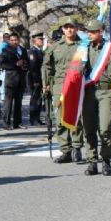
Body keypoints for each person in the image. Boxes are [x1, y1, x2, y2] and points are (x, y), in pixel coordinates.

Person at [80, 20, 111, 176]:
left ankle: (105, 159)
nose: (89, 34)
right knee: (89, 128)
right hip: (87, 93)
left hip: (105, 92)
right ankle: (92, 161)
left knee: (105, 128)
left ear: (101, 31)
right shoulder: (83, 48)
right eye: (88, 31)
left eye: (92, 31)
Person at [42, 16, 84, 163]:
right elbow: (46, 65)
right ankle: (65, 150)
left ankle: (77, 147)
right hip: (59, 85)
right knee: (60, 119)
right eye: (66, 27)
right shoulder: (55, 46)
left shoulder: (83, 45)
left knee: (76, 118)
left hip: (77, 85)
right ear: (63, 29)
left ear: (76, 28)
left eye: (72, 27)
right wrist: (45, 83)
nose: (69, 30)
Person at [0, 32, 27, 129]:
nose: (14, 42)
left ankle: (17, 123)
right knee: (8, 103)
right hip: (11, 80)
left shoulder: (23, 50)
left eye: (16, 40)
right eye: (12, 40)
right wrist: (15, 65)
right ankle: (6, 123)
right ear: (9, 41)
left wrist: (24, 65)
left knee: (18, 103)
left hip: (21, 79)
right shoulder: (6, 50)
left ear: (18, 40)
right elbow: (2, 64)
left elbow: (27, 62)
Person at [27, 32, 45, 126]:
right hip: (35, 79)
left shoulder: (39, 51)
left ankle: (37, 119)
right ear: (35, 41)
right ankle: (33, 119)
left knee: (38, 100)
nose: (42, 41)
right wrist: (35, 81)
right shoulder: (32, 51)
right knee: (34, 100)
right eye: (40, 39)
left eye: (42, 39)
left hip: (39, 78)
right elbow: (33, 68)